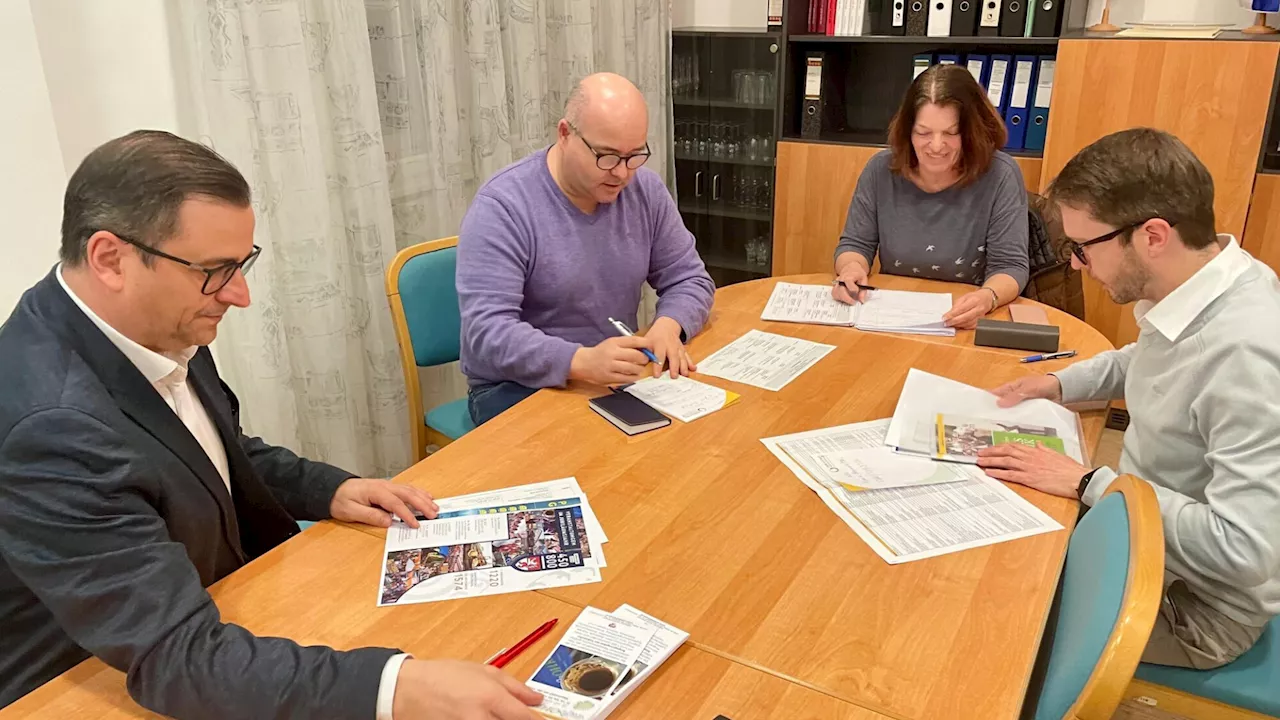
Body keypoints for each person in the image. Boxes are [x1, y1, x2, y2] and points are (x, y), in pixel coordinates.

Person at [0, 131, 543, 719]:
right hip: (84, 683)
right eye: (215, 270)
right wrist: (397, 690)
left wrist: (326, 487)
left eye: (242, 264)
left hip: (215, 613)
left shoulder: (156, 319)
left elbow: (213, 451)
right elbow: (174, 659)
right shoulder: (50, 427)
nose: (239, 295)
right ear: (111, 258)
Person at [976, 128, 1280, 670]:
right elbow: (1147, 357)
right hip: (1138, 538)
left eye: (1082, 248)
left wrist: (1090, 483)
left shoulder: (1245, 354)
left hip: (1190, 607)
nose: (1074, 265)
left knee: (992, 623)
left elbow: (1245, 551)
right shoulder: (1210, 279)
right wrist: (1058, 383)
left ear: (1153, 236)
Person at [457, 73, 715, 425]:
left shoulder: (645, 191)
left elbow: (689, 278)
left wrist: (669, 326)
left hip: (611, 376)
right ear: (565, 134)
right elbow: (488, 332)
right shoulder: (503, 206)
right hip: (514, 387)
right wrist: (580, 361)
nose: (622, 174)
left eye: (634, 155)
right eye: (607, 156)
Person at [832, 64, 1029, 329]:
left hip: (963, 322)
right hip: (892, 319)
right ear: (907, 130)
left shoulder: (1000, 175)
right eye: (923, 133)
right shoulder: (881, 170)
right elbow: (855, 244)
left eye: (951, 133)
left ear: (971, 132)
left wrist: (987, 297)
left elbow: (1011, 266)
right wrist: (851, 270)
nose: (936, 146)